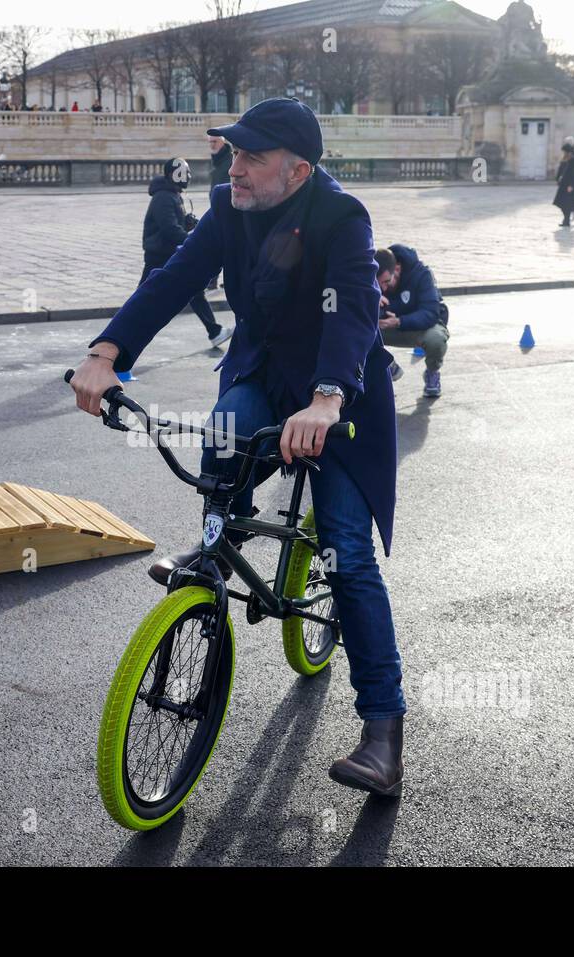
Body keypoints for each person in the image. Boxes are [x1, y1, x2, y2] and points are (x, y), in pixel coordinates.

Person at [69, 97, 408, 798]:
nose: (234, 167)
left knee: (345, 547)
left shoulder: (341, 220)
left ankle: (382, 731)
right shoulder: (230, 209)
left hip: (338, 398)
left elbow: (349, 314)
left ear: (299, 169)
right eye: (231, 153)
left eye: (251, 156)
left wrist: (326, 397)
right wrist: (107, 353)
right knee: (223, 439)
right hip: (263, 374)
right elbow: (170, 282)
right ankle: (217, 545)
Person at [140, 156, 229, 350]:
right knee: (142, 296)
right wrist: (193, 238)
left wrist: (187, 222)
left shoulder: (172, 194)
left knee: (194, 290)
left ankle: (214, 331)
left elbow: (174, 224)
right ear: (177, 174)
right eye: (185, 173)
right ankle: (120, 333)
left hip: (166, 252)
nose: (188, 176)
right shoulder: (164, 197)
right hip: (160, 254)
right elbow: (169, 229)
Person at [376, 245, 448, 397]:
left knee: (436, 339)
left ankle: (432, 372)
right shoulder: (377, 274)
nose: (384, 287)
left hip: (418, 326)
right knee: (357, 330)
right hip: (385, 327)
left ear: (397, 268)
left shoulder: (422, 275)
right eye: (380, 283)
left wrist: (399, 321)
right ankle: (385, 364)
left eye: (387, 282)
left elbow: (430, 313)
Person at [206, 134, 232, 291]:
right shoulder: (218, 159)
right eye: (210, 142)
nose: (212, 145)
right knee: (222, 246)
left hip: (227, 210)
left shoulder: (229, 160)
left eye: (215, 142)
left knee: (222, 247)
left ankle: (213, 281)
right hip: (217, 208)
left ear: (223, 142)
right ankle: (213, 281)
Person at [553, 141, 574, 227]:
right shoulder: (564, 159)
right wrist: (557, 179)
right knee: (559, 202)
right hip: (563, 184)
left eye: (564, 151)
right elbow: (561, 170)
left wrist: (571, 185)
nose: (563, 152)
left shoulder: (573, 160)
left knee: (566, 203)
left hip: (569, 185)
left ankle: (566, 221)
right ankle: (566, 219)